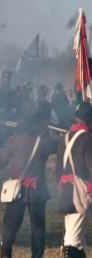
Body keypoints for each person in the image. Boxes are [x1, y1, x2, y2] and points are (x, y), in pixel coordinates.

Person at [0, 111, 56, 258]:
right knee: (38, 227)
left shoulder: (15, 140)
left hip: (17, 190)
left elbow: (3, 159)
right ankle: (37, 255)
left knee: (10, 225)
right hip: (38, 191)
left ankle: (5, 254)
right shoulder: (43, 141)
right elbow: (59, 146)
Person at [55, 102, 92, 257]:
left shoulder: (64, 137)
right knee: (73, 239)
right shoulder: (87, 139)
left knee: (75, 235)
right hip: (81, 191)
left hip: (66, 190)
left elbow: (58, 168)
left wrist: (60, 187)